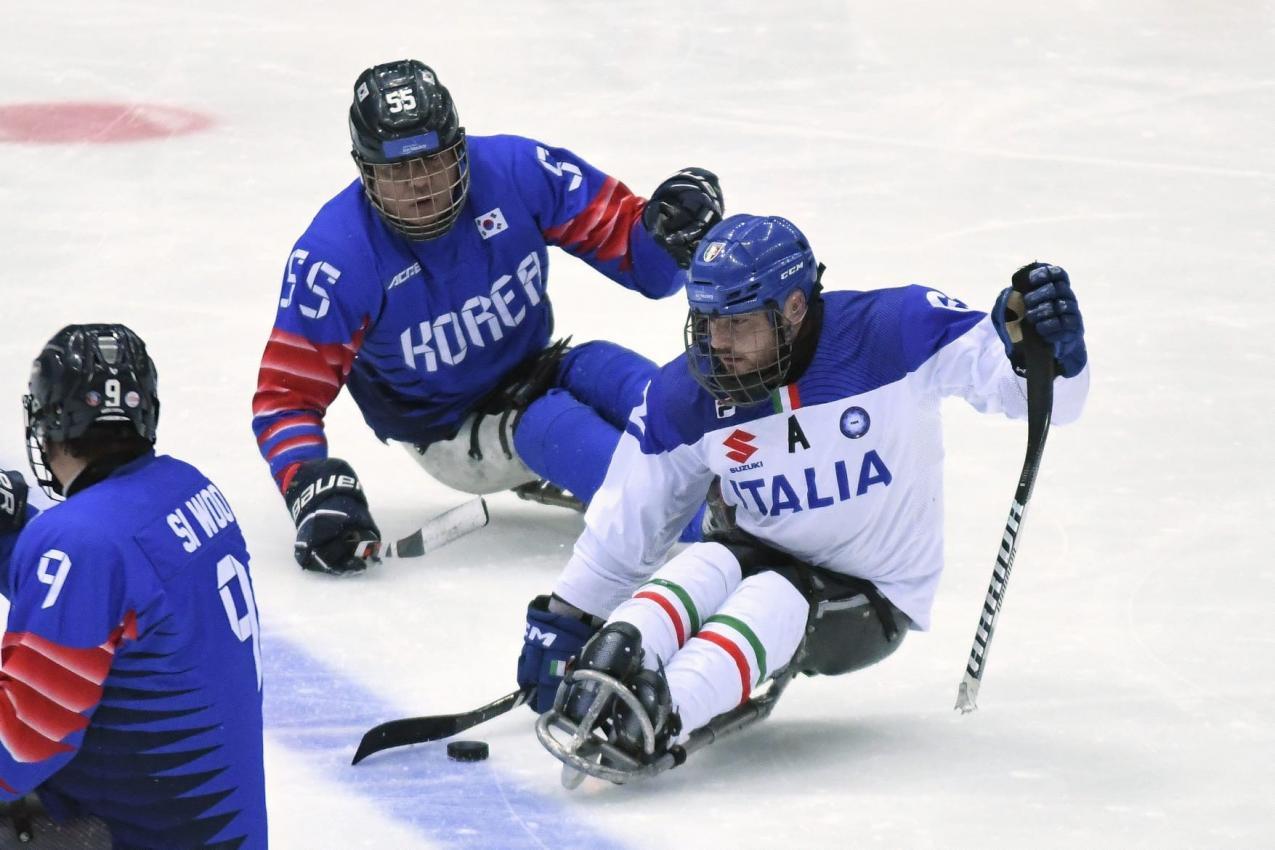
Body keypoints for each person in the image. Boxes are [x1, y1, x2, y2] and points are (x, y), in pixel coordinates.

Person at [517, 214, 1090, 763]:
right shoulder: (684, 393)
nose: (719, 341)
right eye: (708, 320)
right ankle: (608, 666)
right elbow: (632, 520)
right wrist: (571, 618)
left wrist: (1047, 356)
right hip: (748, 552)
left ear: (793, 308)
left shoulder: (896, 330)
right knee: (701, 566)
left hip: (871, 595)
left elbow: (1041, 401)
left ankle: (668, 711)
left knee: (775, 597)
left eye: (739, 321)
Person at [251, 59, 724, 575]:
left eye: (432, 161)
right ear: (365, 174)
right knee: (553, 425)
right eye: (395, 173)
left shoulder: (518, 170)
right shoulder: (336, 258)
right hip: (447, 428)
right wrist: (310, 489)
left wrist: (672, 229)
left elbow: (642, 264)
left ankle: (748, 472)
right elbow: (285, 398)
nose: (420, 186)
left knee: (620, 375)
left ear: (460, 147)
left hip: (537, 364)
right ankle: (731, 525)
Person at [0, 325, 267, 846]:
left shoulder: (80, 545)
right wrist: (16, 530)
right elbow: (105, 577)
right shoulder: (189, 488)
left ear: (51, 422)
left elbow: (22, 745)